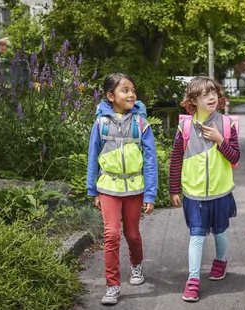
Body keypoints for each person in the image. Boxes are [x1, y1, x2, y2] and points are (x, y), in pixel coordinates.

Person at [86, 73, 158, 305]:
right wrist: (92, 190)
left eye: (132, 90)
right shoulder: (100, 124)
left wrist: (150, 193)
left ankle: (136, 265)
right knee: (111, 234)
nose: (131, 94)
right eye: (125, 90)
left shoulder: (141, 124)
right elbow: (92, 158)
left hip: (135, 188)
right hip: (108, 186)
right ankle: (112, 285)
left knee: (132, 234)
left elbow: (150, 161)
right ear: (110, 96)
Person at [169, 76, 240, 302]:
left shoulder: (228, 125)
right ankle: (193, 280)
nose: (211, 97)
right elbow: (176, 160)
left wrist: (220, 140)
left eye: (214, 93)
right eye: (204, 94)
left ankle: (220, 260)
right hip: (194, 193)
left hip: (221, 192)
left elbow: (235, 157)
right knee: (197, 235)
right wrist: (173, 189)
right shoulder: (185, 127)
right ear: (193, 100)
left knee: (220, 231)